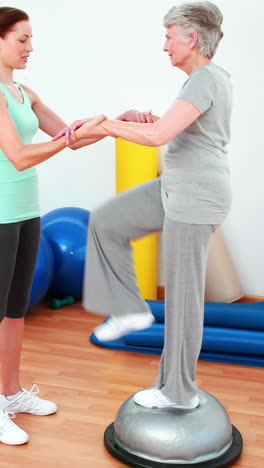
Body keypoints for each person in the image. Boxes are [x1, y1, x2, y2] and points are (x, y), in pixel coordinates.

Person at [58, 1, 232, 410]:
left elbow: (157, 138)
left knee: (183, 297)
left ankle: (179, 393)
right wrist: (141, 119)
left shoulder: (205, 78)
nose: (164, 45)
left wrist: (105, 124)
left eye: (169, 36)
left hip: (196, 196)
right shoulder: (200, 81)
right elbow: (173, 130)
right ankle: (128, 309)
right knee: (107, 220)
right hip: (176, 185)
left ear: (191, 38)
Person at [0, 7, 106, 446]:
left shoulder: (23, 92)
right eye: (22, 39)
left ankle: (10, 393)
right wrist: (62, 142)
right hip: (0, 213)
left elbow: (69, 134)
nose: (30, 48)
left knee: (15, 309)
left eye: (30, 39)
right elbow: (19, 156)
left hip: (27, 210)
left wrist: (118, 124)